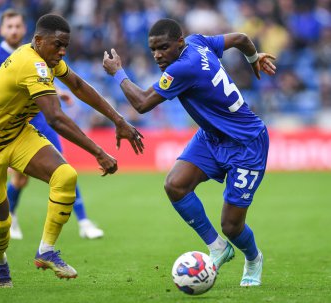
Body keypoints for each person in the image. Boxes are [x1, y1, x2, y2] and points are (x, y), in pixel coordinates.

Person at [0, 13, 144, 288]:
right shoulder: (31, 64)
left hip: (17, 135)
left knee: (65, 176)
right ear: (38, 41)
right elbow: (55, 118)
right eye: (58, 45)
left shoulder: (48, 60)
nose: (62, 51)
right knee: (1, 226)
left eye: (65, 46)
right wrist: (99, 152)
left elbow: (79, 86)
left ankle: (46, 250)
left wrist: (119, 120)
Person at [103, 18, 275, 287]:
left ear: (179, 43)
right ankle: (218, 248)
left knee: (231, 226)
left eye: (164, 47)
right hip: (212, 136)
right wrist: (254, 58)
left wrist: (118, 73)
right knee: (175, 185)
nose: (158, 55)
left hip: (246, 144)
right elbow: (241, 38)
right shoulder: (198, 42)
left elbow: (142, 103)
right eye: (154, 50)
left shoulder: (184, 68)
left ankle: (253, 258)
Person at [0, 9, 104, 241]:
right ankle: (9, 219)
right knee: (19, 180)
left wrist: (58, 92)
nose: (14, 30)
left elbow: (44, 84)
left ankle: (83, 221)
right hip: (6, 126)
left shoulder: (46, 54)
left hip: (40, 116)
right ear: (2, 30)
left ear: (26, 30)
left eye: (17, 26)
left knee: (63, 169)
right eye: (9, 27)